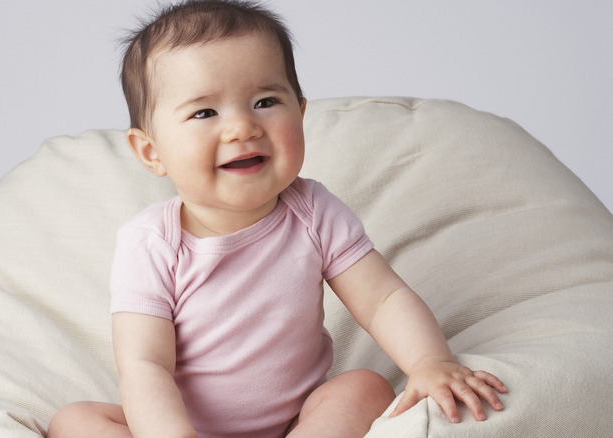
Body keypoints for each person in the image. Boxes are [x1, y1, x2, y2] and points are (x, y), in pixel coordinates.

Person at [48, 1, 507, 436]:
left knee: (365, 387)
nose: (243, 127)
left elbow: (383, 298)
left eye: (265, 101)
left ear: (301, 113)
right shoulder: (152, 242)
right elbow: (145, 364)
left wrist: (429, 362)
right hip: (182, 426)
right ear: (151, 152)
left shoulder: (313, 212)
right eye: (205, 112)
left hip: (297, 422)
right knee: (74, 423)